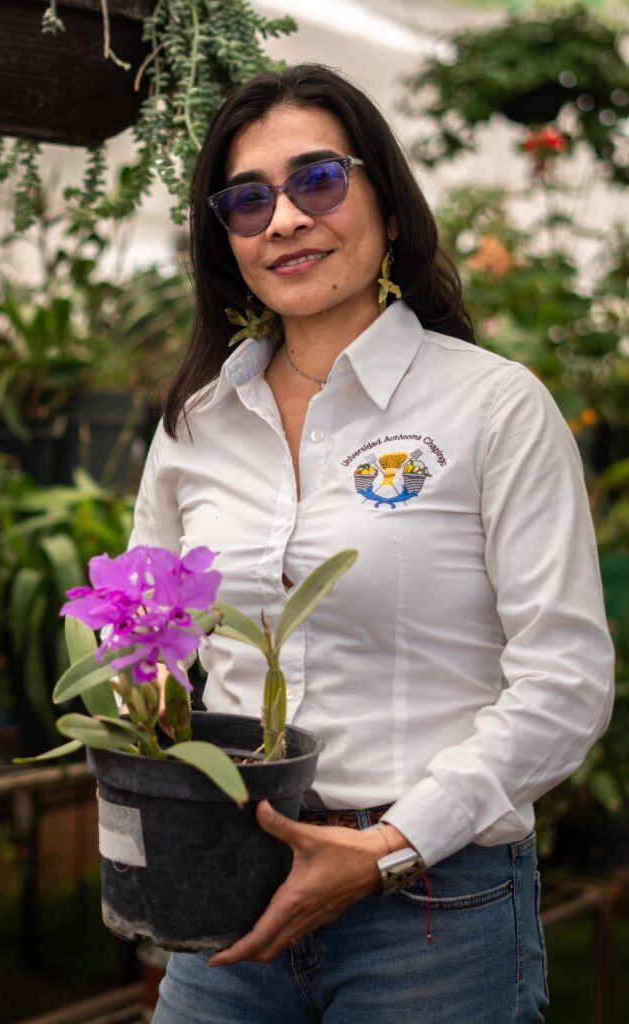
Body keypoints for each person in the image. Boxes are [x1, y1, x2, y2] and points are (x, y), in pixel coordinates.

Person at [132, 64, 614, 1023]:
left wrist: (392, 843)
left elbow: (566, 680)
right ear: (224, 239)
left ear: (387, 205)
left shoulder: (491, 407)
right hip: (232, 893)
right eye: (247, 199)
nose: (284, 219)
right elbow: (145, 637)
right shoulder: (198, 420)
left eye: (318, 181)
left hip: (434, 908)